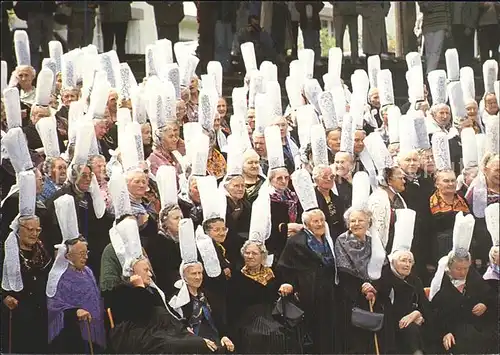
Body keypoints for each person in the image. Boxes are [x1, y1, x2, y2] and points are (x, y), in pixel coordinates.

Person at [1, 170, 53, 354]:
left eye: (37, 230)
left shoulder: (41, 250)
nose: (34, 233)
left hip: (38, 309)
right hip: (15, 311)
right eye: (30, 229)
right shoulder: (6, 251)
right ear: (19, 229)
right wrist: (4, 296)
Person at [229, 240, 301, 353]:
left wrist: (286, 286)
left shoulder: (273, 273)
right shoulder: (237, 276)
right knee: (260, 334)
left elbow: (287, 285)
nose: (250, 256)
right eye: (247, 253)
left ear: (262, 256)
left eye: (254, 253)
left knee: (282, 332)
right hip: (249, 317)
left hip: (273, 313)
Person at [47, 237, 106, 353]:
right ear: (68, 256)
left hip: (93, 328)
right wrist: (75, 311)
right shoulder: (58, 277)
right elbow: (54, 304)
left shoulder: (88, 271)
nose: (86, 257)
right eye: (81, 254)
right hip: (71, 333)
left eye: (86, 253)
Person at [312, 164, 345, 240]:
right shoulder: (313, 200)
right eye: (324, 177)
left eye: (331, 177)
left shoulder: (337, 198)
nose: (329, 179)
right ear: (316, 180)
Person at [419, 2, 451, 74]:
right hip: (429, 24)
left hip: (440, 24)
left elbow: (447, 9)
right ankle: (430, 73)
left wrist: (448, 26)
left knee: (436, 50)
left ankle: (429, 73)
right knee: (429, 52)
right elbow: (422, 7)